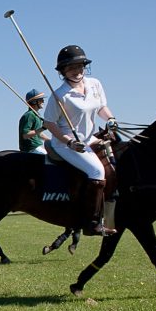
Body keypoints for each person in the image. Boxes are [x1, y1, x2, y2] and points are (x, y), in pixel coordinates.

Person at [43, 45, 117, 236]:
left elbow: (102, 107)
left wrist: (110, 119)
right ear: (63, 71)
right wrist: (68, 142)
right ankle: (92, 223)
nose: (77, 71)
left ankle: (114, 209)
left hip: (89, 138)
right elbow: (49, 123)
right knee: (96, 170)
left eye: (80, 66)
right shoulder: (59, 95)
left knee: (117, 160)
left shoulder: (94, 84)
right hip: (66, 144)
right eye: (71, 68)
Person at [19, 89, 50, 154]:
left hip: (36, 147)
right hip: (30, 149)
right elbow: (25, 135)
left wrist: (51, 141)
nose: (43, 101)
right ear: (34, 102)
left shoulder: (36, 115)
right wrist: (43, 128)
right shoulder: (29, 115)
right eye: (41, 99)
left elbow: (38, 134)